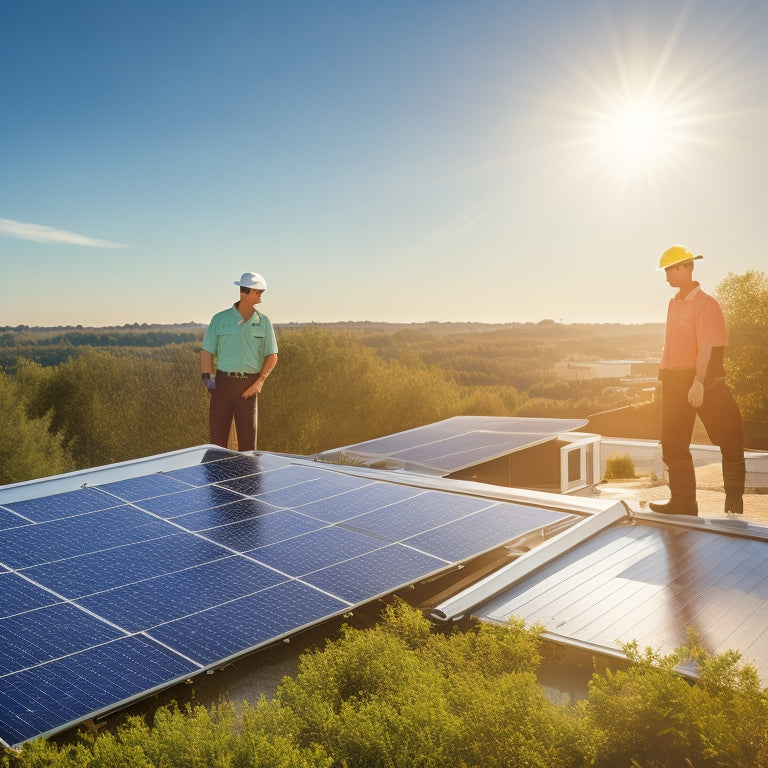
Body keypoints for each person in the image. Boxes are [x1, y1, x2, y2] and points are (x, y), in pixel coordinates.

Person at [649, 246, 745, 516]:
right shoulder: (673, 303)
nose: (667, 274)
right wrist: (664, 374)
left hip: (702, 379)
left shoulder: (707, 303)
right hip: (674, 379)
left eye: (670, 269)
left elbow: (708, 346)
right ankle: (684, 503)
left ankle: (734, 506)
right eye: (665, 269)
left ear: (686, 268)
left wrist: (699, 381)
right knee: (672, 442)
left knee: (729, 436)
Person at [200, 272, 278, 451]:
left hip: (248, 387)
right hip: (222, 385)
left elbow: (272, 356)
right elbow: (206, 351)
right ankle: (217, 477)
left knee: (248, 446)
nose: (260, 295)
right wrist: (208, 380)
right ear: (244, 293)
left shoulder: (264, 322)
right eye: (257, 292)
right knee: (217, 444)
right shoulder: (219, 319)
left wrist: (260, 382)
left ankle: (247, 479)